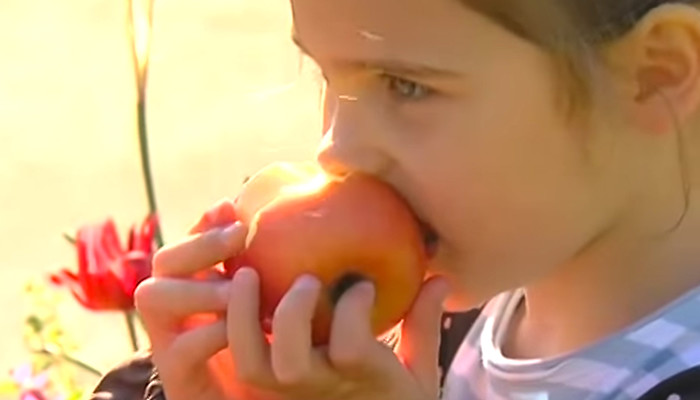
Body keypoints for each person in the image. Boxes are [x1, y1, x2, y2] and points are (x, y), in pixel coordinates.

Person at [91, 0, 700, 399]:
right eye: (329, 78)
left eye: (406, 86)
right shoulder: (443, 319)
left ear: (655, 73)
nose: (337, 152)